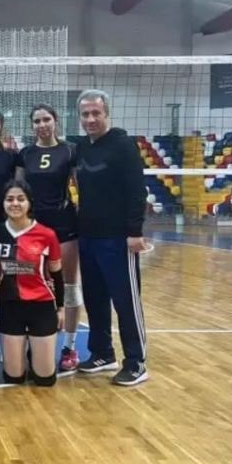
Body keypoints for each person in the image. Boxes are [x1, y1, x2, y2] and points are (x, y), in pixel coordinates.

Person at [74, 89, 148, 386]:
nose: (91, 119)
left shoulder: (123, 145)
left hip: (117, 238)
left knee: (126, 301)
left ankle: (137, 362)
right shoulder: (82, 147)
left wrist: (134, 232)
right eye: (85, 114)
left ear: (107, 114)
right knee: (95, 299)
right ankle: (102, 353)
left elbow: (137, 190)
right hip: (88, 237)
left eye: (96, 113)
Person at [16, 103, 83, 373]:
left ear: (55, 121)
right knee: (30, 283)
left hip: (64, 224)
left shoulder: (70, 150)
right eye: (37, 121)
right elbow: (18, 190)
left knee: (68, 285)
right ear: (31, 125)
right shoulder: (25, 154)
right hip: (32, 227)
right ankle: (30, 341)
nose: (42, 125)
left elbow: (80, 185)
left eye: (46, 119)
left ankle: (69, 346)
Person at [0, 180, 65, 387]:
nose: (15, 203)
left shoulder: (47, 234)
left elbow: (57, 274)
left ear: (29, 203)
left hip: (41, 306)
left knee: (45, 379)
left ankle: (35, 351)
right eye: (9, 199)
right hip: (9, 305)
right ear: (3, 203)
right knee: (14, 378)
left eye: (20, 199)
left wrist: (60, 308)